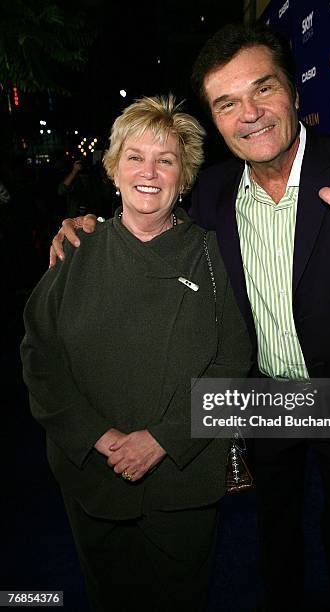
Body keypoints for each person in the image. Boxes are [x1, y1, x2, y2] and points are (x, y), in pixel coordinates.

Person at [48, 24, 330, 612]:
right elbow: (151, 210)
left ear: (296, 92)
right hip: (258, 393)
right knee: (274, 525)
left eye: (263, 90)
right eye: (227, 103)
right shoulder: (210, 190)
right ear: (214, 117)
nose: (250, 114)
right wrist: (89, 226)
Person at [21, 94, 252, 612]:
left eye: (165, 160)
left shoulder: (214, 257)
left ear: (184, 176)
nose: (149, 172)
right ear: (113, 169)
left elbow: (234, 363)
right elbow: (40, 358)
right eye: (135, 157)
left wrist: (163, 440)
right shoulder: (75, 252)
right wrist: (98, 437)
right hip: (92, 480)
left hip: (183, 482)